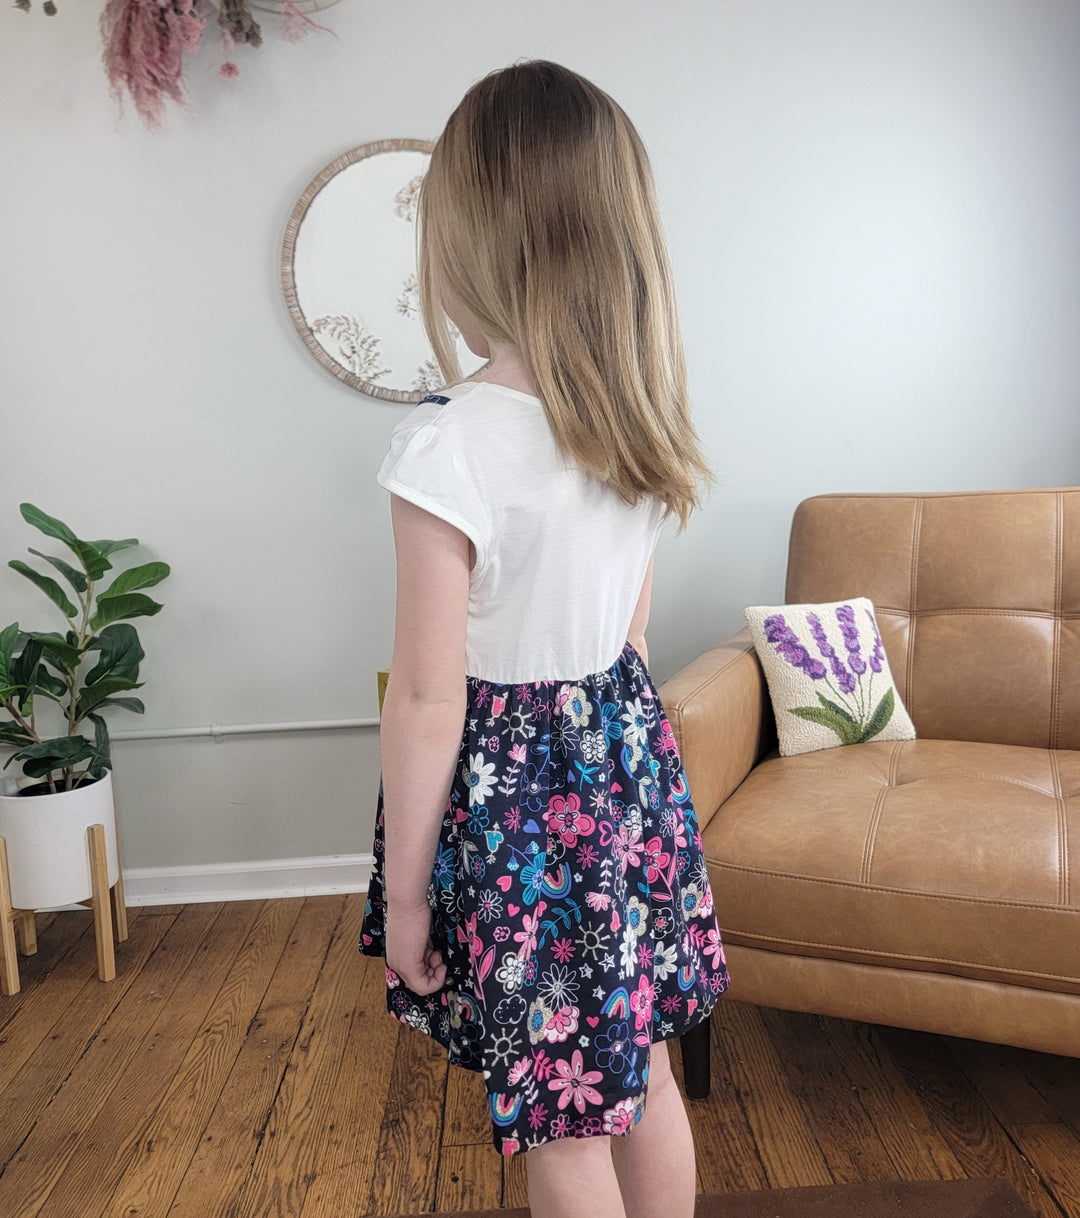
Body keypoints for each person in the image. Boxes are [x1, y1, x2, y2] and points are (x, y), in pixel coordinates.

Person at [359, 59, 729, 1218]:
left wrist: (405, 904)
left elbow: (430, 700)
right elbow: (631, 635)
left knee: (565, 1127)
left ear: (469, 241)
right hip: (626, 777)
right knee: (643, 1073)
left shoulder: (451, 448)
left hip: (523, 815)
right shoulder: (634, 422)